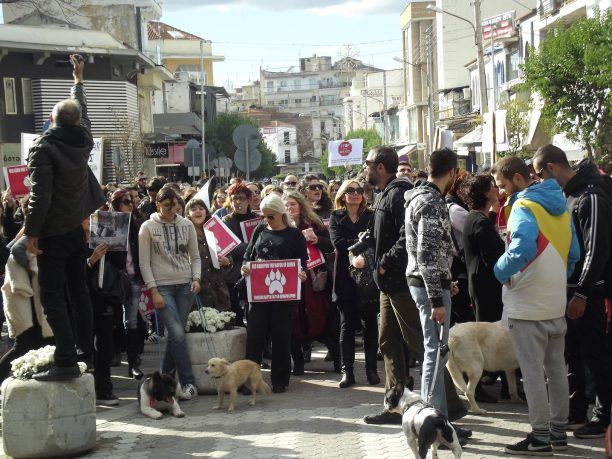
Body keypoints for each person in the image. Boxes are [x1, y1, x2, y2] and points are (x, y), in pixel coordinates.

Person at [25, 54, 106, 381]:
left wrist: (31, 232)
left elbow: (39, 196)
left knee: (53, 297)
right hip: (75, 229)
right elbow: (79, 108)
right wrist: (78, 79)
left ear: (50, 118)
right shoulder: (83, 137)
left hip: (54, 233)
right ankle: (83, 348)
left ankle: (65, 359)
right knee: (79, 292)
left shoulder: (44, 147)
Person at [492, 155, 579, 455]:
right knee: (556, 369)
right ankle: (558, 432)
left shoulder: (523, 207)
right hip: (555, 302)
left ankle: (540, 437)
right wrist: (557, 279)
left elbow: (523, 248)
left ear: (518, 179)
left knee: (532, 373)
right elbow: (574, 253)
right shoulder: (561, 206)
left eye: (502, 186)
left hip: (527, 304)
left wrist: (499, 270)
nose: (501, 192)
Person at [532, 146, 612, 439]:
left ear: (551, 168)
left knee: (597, 355)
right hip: (571, 289)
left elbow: (596, 250)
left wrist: (582, 293)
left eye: (538, 174)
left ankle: (605, 416)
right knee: (575, 353)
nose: (538, 181)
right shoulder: (569, 196)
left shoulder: (591, 196)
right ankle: (578, 410)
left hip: (591, 292)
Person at [361, 146, 422, 425]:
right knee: (388, 341)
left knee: (420, 344)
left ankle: (449, 408)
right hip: (387, 284)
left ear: (380, 167)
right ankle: (394, 406)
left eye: (368, 163)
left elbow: (406, 237)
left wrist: (385, 261)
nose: (365, 168)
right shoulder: (386, 193)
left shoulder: (398, 193)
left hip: (399, 283)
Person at [404, 148, 461, 419]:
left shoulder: (418, 197)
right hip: (428, 285)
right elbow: (426, 254)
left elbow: (430, 252)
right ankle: (434, 418)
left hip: (428, 281)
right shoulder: (432, 202)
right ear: (452, 172)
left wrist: (445, 279)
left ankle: (436, 416)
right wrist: (437, 298)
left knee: (436, 352)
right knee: (436, 353)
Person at [139, 187, 202, 400]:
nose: (172, 211)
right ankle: (188, 383)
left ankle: (160, 382)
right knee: (176, 333)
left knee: (176, 336)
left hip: (186, 285)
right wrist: (153, 290)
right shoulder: (147, 227)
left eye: (176, 207)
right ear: (157, 204)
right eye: (167, 206)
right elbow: (144, 263)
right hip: (162, 286)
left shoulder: (186, 225)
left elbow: (196, 257)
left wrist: (196, 278)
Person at [242, 194, 308, 393]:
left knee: (281, 337)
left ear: (281, 214)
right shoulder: (259, 230)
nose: (266, 220)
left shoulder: (295, 235)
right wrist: (244, 268)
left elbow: (302, 262)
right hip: (259, 294)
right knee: (255, 338)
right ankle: (248, 381)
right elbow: (248, 256)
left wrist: (302, 274)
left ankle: (280, 380)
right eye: (263, 216)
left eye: (270, 216)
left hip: (283, 296)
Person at [459, 174, 507, 402]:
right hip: (487, 286)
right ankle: (479, 386)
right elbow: (493, 259)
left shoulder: (477, 218)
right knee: (491, 335)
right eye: (492, 186)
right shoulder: (479, 221)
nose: (496, 188)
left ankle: (505, 383)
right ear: (485, 193)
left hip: (481, 283)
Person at [329, 179, 379, 388]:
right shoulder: (336, 216)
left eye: (359, 190)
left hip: (367, 278)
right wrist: (360, 242)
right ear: (343, 194)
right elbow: (337, 243)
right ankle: (347, 371)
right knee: (346, 326)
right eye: (350, 190)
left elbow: (376, 240)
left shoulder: (371, 215)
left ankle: (371, 370)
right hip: (345, 277)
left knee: (370, 327)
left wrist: (358, 244)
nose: (355, 194)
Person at [283, 190, 337, 375]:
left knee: (320, 316)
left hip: (315, 280)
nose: (289, 208)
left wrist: (317, 240)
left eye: (292, 204)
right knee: (293, 320)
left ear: (300, 205)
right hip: (291, 280)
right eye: (286, 205)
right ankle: (298, 362)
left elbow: (330, 245)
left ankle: (338, 360)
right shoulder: (280, 226)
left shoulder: (313, 224)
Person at [109, 189, 144, 380]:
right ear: (116, 205)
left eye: (131, 202)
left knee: (131, 320)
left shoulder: (136, 225)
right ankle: (114, 353)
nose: (130, 205)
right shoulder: (108, 224)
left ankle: (133, 363)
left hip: (133, 279)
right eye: (125, 202)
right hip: (114, 281)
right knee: (114, 321)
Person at [222, 181, 260, 326]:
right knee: (237, 316)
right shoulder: (226, 221)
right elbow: (232, 248)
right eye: (233, 199)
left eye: (241, 198)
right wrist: (253, 247)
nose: (237, 202)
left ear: (249, 200)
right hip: (233, 274)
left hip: (254, 271)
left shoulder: (257, 219)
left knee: (254, 313)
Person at [186, 198, 232, 311]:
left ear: (206, 212)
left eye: (201, 208)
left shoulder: (215, 230)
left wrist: (227, 261)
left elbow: (229, 257)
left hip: (219, 291)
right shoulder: (185, 234)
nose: (198, 211)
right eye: (193, 209)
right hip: (199, 290)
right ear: (188, 214)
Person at [445, 171, 475, 325]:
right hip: (459, 266)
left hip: (460, 265)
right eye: (467, 185)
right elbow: (475, 230)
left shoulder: (457, 206)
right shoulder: (455, 209)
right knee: (462, 311)